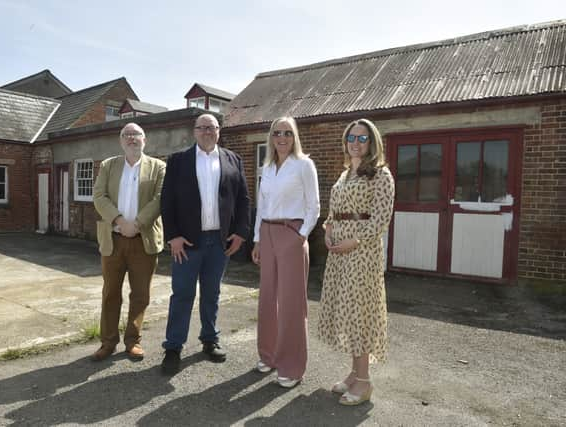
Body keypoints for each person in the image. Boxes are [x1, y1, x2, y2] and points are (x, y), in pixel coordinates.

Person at [160, 113, 250, 374]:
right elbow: (167, 201)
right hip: (187, 242)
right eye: (202, 127)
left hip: (219, 242)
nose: (207, 131)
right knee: (182, 294)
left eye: (212, 127)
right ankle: (173, 347)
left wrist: (241, 233)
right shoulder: (178, 161)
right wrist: (173, 236)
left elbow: (243, 199)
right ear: (194, 131)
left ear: (219, 131)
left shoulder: (233, 159)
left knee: (212, 293)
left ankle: (209, 340)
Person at [317, 118, 395, 405]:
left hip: (362, 252)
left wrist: (356, 240)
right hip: (339, 250)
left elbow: (381, 217)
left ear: (372, 142)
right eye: (352, 137)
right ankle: (354, 373)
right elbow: (334, 211)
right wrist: (327, 230)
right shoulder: (345, 173)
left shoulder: (380, 175)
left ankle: (364, 382)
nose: (356, 143)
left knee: (360, 314)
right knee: (348, 312)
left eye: (363, 138)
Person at [251, 116, 319, 388]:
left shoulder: (304, 165)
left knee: (291, 303)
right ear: (271, 137)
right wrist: (256, 240)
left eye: (287, 133)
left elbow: (313, 206)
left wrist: (300, 236)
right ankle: (268, 355)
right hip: (266, 234)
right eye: (277, 132)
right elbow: (261, 206)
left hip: (291, 234)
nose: (282, 137)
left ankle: (291, 366)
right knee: (267, 299)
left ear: (295, 137)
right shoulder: (266, 167)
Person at [91, 122, 166, 361]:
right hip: (113, 239)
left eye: (136, 134)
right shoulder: (108, 165)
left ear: (145, 139)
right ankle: (108, 342)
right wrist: (120, 220)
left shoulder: (159, 167)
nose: (131, 138)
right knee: (111, 293)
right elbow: (99, 196)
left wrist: (137, 224)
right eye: (126, 135)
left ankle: (133, 341)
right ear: (121, 141)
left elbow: (161, 198)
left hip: (143, 240)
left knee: (140, 294)